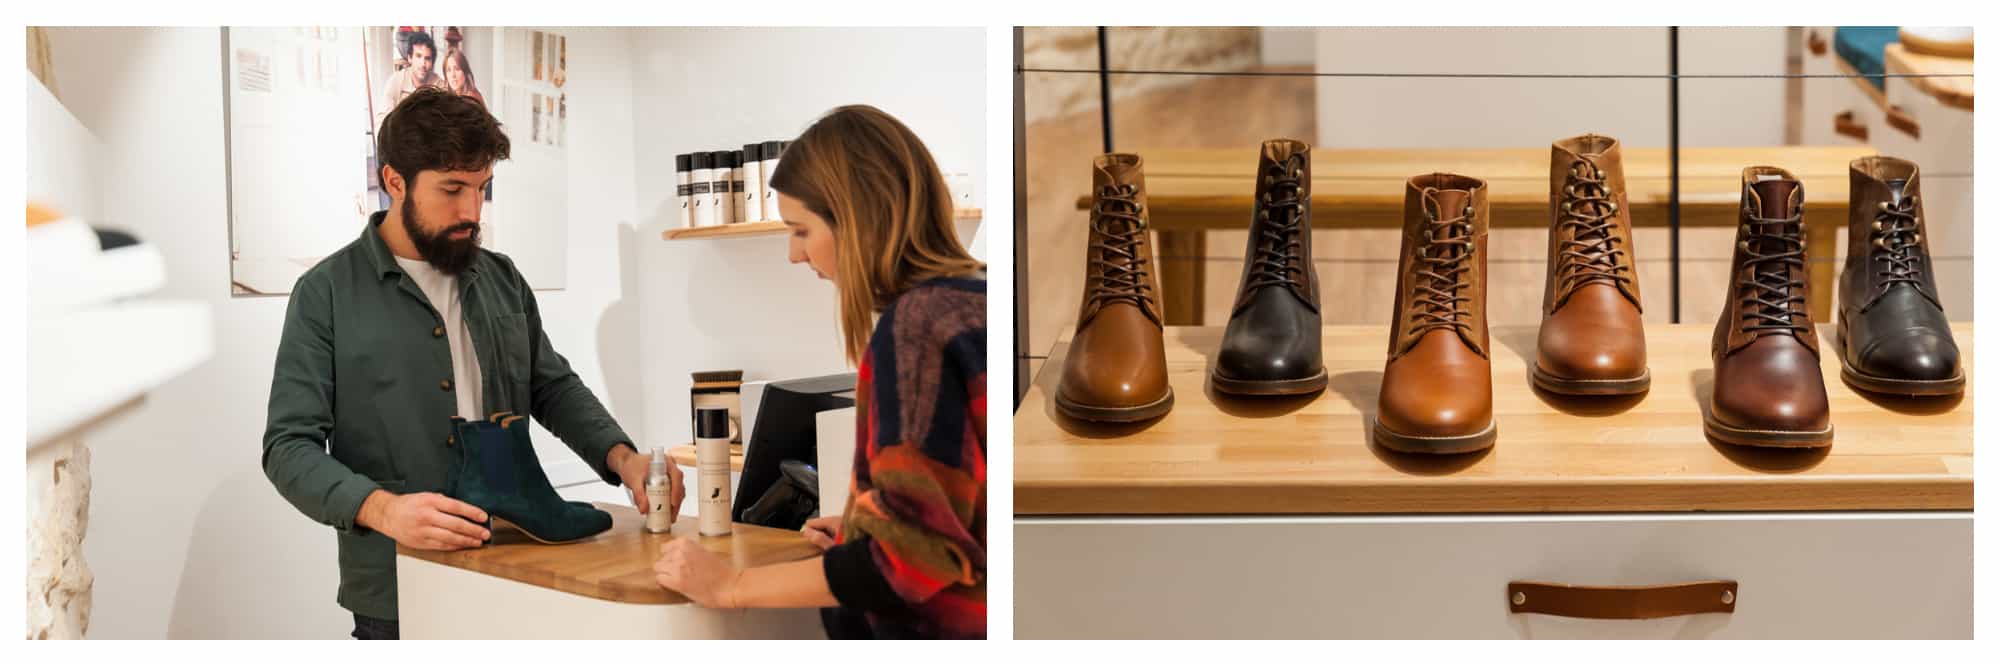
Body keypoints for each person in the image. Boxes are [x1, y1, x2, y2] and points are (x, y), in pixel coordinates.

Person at [263, 87, 683, 640]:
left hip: (515, 569)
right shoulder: (325, 294)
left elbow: (551, 387)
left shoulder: (502, 278)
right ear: (394, 182)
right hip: (398, 587)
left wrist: (624, 458)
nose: (471, 211)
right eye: (452, 189)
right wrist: (383, 509)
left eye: (482, 188)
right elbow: (288, 449)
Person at [652, 105, 987, 640]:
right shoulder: (974, 301)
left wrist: (731, 586)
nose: (792, 253)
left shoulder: (915, 330)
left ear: (858, 219)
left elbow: (912, 562)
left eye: (802, 230)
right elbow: (958, 520)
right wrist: (866, 529)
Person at [372, 30, 442, 134]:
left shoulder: (440, 85)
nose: (423, 64)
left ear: (432, 63)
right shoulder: (395, 81)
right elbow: (381, 121)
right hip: (399, 140)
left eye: (427, 58)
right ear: (410, 58)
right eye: (418, 56)